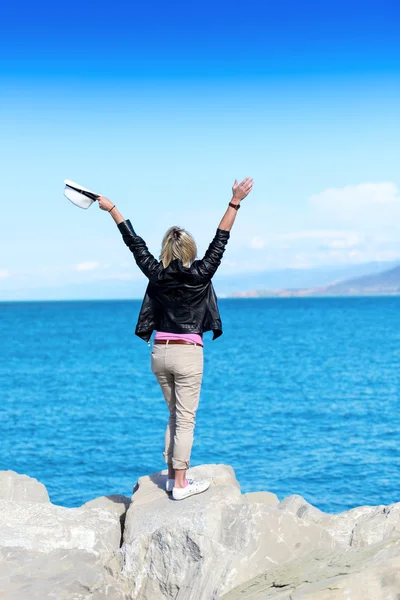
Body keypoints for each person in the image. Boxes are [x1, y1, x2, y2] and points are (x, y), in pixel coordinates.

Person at [98, 177, 253, 500]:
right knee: (185, 418)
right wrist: (235, 201)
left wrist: (112, 208)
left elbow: (134, 243)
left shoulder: (155, 272)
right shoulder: (201, 273)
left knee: (173, 414)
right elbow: (221, 238)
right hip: (187, 353)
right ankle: (181, 485)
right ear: (190, 250)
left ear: (166, 250)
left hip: (159, 353)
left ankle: (171, 477)